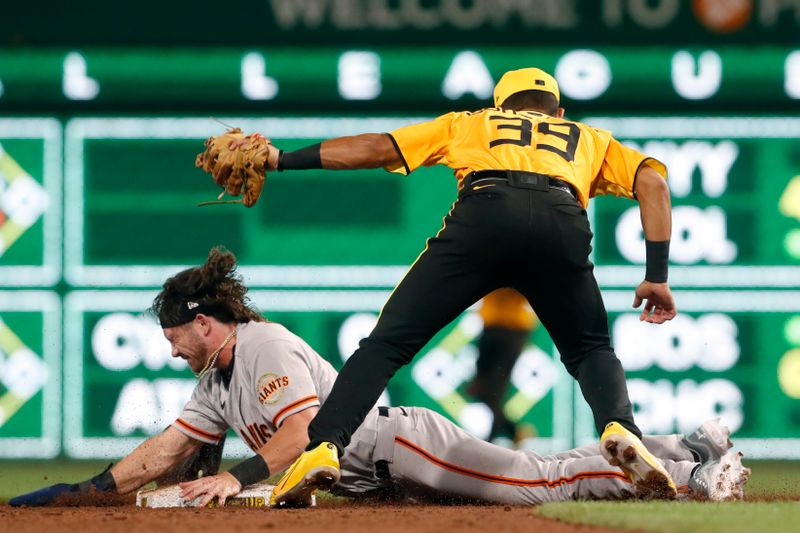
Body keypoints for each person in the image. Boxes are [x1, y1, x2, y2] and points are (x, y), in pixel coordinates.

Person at [204, 67, 679, 502]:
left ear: (500, 108)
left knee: (386, 345)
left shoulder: (472, 123)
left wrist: (283, 158)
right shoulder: (588, 139)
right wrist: (656, 276)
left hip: (486, 212)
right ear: (558, 113)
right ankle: (621, 428)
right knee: (591, 351)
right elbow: (653, 184)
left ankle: (324, 447)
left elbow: (377, 147)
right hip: (562, 221)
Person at [8, 248, 749, 508]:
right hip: (384, 472)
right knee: (536, 473)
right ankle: (683, 447)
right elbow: (164, 452)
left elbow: (301, 434)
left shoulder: (260, 346)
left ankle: (691, 472)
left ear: (205, 322)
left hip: (394, 446)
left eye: (173, 332)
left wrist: (235, 478)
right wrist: (73, 494)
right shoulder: (215, 380)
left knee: (538, 481)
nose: (169, 347)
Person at [468, 288, 538, 445]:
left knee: (494, 391)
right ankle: (513, 432)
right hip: (491, 327)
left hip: (513, 329)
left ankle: (490, 443)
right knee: (480, 389)